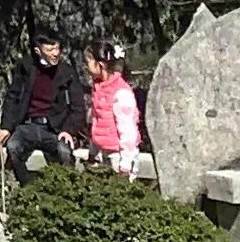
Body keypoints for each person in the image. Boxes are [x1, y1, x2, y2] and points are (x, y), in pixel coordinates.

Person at [10, 36, 90, 172]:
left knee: (64, 152)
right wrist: (6, 127)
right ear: (38, 50)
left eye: (57, 48)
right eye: (50, 49)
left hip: (56, 128)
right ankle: (27, 188)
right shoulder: (26, 68)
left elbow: (78, 107)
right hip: (29, 125)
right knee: (13, 147)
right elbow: (12, 97)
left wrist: (69, 130)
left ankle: (65, 189)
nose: (55, 53)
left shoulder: (67, 72)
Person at [84, 40, 145, 177]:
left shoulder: (121, 93)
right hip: (103, 152)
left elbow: (127, 129)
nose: (85, 67)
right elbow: (97, 122)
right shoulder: (98, 88)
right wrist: (93, 151)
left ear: (100, 65)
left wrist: (126, 163)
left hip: (120, 156)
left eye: (87, 62)